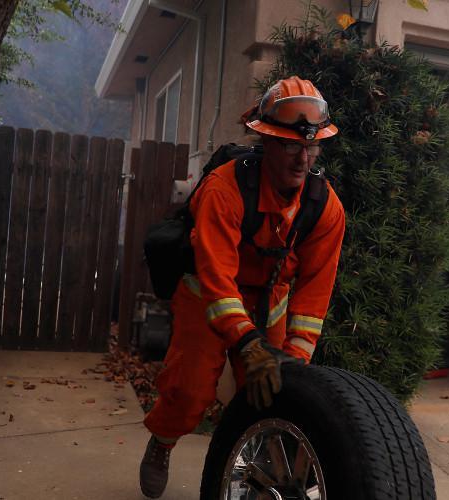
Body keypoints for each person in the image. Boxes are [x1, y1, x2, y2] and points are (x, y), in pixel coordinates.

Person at [138, 76, 346, 498]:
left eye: (311, 147)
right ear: (265, 142)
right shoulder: (225, 189)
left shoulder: (325, 207)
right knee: (189, 392)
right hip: (208, 297)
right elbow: (216, 275)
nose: (302, 158)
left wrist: (294, 360)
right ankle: (162, 441)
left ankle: (258, 472)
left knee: (274, 394)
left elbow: (313, 294)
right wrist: (247, 344)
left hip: (270, 303)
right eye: (290, 145)